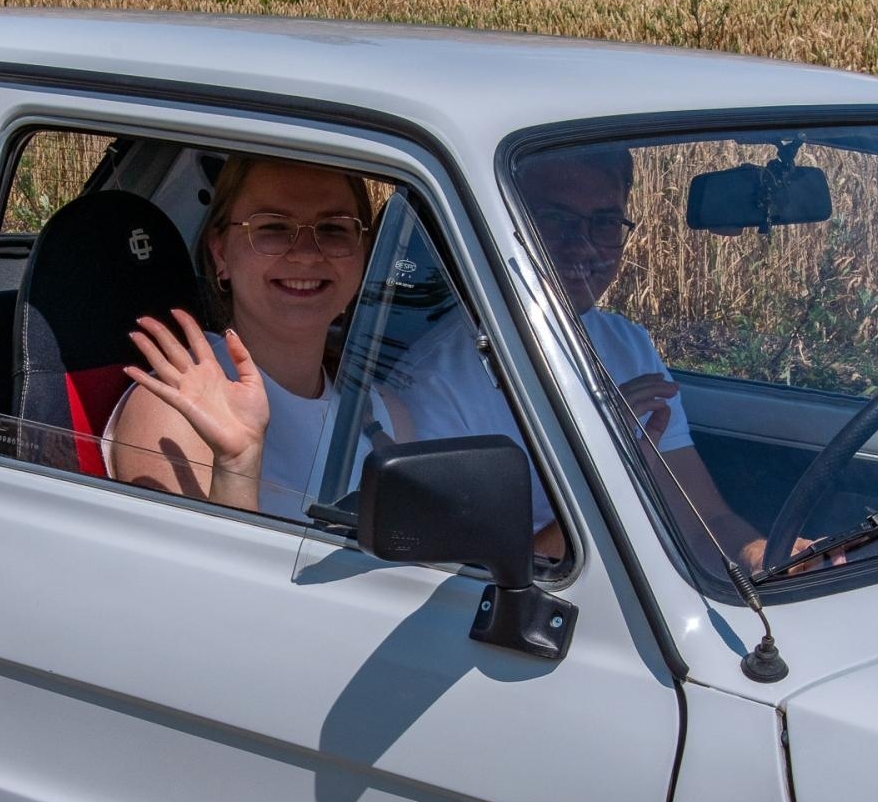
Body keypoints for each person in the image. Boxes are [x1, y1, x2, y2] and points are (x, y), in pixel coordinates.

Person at [398, 147, 788, 572]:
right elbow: (489, 585)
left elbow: (702, 521)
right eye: (554, 220)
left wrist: (766, 557)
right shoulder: (434, 383)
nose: (582, 246)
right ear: (504, 226)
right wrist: (609, 458)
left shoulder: (628, 346)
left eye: (604, 223)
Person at [107, 155, 389, 519]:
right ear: (221, 253)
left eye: (333, 229)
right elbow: (184, 558)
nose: (306, 254)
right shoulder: (175, 409)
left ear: (363, 252)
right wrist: (236, 464)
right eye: (273, 227)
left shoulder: (379, 409)